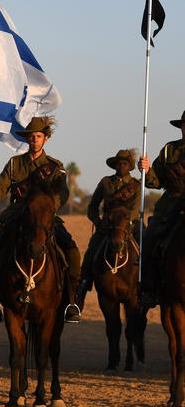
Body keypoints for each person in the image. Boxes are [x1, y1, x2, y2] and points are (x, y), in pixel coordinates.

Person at [0, 116, 81, 324]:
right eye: (31, 137)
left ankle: (71, 301)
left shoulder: (54, 166)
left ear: (45, 139)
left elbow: (63, 192)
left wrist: (48, 206)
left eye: (38, 136)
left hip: (45, 215)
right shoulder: (15, 164)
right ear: (27, 140)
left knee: (70, 248)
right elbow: (0, 188)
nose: (34, 140)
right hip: (17, 213)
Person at [76, 149, 141, 310]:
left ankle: (148, 286)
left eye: (124, 163)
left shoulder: (137, 185)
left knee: (147, 246)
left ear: (129, 167)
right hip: (107, 227)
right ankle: (82, 289)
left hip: (130, 226)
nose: (121, 166)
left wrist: (127, 221)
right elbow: (93, 206)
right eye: (118, 163)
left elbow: (136, 209)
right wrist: (97, 221)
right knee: (92, 251)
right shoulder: (105, 182)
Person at [137, 110, 185, 308]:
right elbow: (155, 182)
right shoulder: (168, 150)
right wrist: (147, 171)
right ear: (181, 127)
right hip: (171, 204)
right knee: (150, 237)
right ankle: (149, 288)